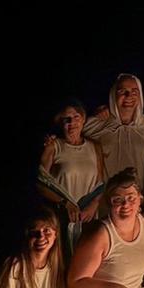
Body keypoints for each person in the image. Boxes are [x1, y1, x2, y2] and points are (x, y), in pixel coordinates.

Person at [38, 100, 106, 252]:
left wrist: (94, 205)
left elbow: (100, 184)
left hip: (88, 216)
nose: (72, 122)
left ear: (83, 120)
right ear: (60, 123)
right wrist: (65, 203)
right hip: (62, 216)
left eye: (76, 117)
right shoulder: (53, 146)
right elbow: (41, 183)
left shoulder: (95, 147)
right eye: (66, 119)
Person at [83, 74, 144, 186]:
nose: (129, 96)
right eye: (122, 91)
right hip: (105, 196)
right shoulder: (97, 123)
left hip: (134, 197)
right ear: (113, 95)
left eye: (134, 92)